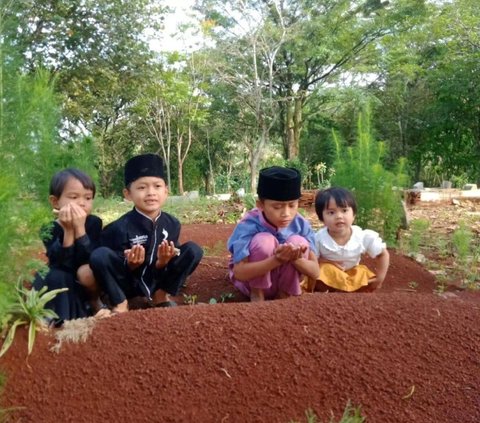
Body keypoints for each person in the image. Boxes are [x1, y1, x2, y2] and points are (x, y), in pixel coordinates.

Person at [89, 153, 203, 313]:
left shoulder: (173, 224)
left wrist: (163, 261)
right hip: (127, 283)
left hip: (158, 279)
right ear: (128, 194)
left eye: (157, 186)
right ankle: (119, 302)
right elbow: (106, 265)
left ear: (166, 191)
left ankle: (161, 296)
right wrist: (129, 263)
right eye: (142, 187)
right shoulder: (118, 228)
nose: (151, 192)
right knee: (99, 255)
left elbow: (172, 261)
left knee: (193, 250)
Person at [227, 166, 319, 302]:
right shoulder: (248, 225)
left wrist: (294, 257)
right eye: (277, 207)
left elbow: (315, 272)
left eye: (292, 206)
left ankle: (284, 295)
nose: (286, 214)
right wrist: (277, 260)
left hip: (284, 283)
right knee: (264, 241)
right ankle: (257, 294)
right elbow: (239, 272)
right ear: (260, 205)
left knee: (298, 241)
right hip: (251, 282)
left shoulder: (301, 224)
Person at [33, 168, 109, 324]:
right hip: (62, 274)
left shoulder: (94, 222)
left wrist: (80, 229)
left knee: (87, 272)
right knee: (51, 274)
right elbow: (59, 262)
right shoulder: (49, 229)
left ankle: (94, 304)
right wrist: (68, 231)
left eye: (88, 198)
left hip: (87, 277)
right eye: (74, 197)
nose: (82, 203)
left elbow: (89, 257)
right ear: (55, 202)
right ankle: (56, 319)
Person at [304, 187, 390, 293]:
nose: (339, 216)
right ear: (322, 219)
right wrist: (326, 261)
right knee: (322, 271)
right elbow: (311, 260)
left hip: (352, 274)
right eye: (331, 212)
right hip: (330, 276)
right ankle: (328, 295)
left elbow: (383, 254)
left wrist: (380, 278)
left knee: (362, 273)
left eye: (344, 210)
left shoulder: (361, 236)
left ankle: (349, 293)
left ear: (353, 215)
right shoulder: (318, 238)